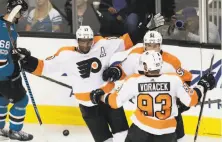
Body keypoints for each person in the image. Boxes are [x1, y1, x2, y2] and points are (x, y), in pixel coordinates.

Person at [15, 17, 164, 141]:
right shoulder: (66, 55)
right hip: (88, 106)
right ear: (77, 40)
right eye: (82, 41)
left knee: (123, 136)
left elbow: (126, 41)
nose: (86, 44)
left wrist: (146, 28)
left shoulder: (102, 44)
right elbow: (43, 67)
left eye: (88, 41)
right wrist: (27, 60)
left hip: (108, 99)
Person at [89, 50, 216, 142]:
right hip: (167, 134)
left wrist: (100, 97)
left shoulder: (134, 80)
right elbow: (191, 101)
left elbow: (115, 102)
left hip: (140, 133)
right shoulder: (175, 80)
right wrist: (202, 86)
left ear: (145, 66)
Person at [102, 31, 192, 142]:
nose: (152, 49)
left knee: (180, 137)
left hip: (167, 110)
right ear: (144, 45)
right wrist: (116, 71)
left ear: (160, 45)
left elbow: (186, 78)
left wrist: (182, 101)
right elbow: (124, 71)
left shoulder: (172, 61)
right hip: (145, 109)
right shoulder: (135, 55)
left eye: (155, 45)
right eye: (149, 45)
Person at [0, 0, 33, 141]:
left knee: (1, 100)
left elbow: (7, 52)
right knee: (21, 100)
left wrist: (18, 53)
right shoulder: (4, 31)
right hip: (4, 77)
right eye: (21, 12)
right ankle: (15, 131)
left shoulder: (7, 25)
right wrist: (13, 71)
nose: (22, 16)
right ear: (16, 11)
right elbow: (1, 61)